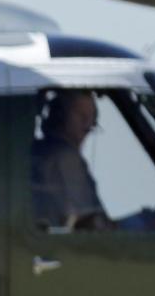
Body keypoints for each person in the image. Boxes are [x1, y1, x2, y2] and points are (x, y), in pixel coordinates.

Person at [30, 89, 107, 229]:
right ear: (59, 115)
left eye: (91, 118)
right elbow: (87, 224)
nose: (87, 125)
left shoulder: (36, 153)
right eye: (81, 115)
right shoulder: (64, 157)